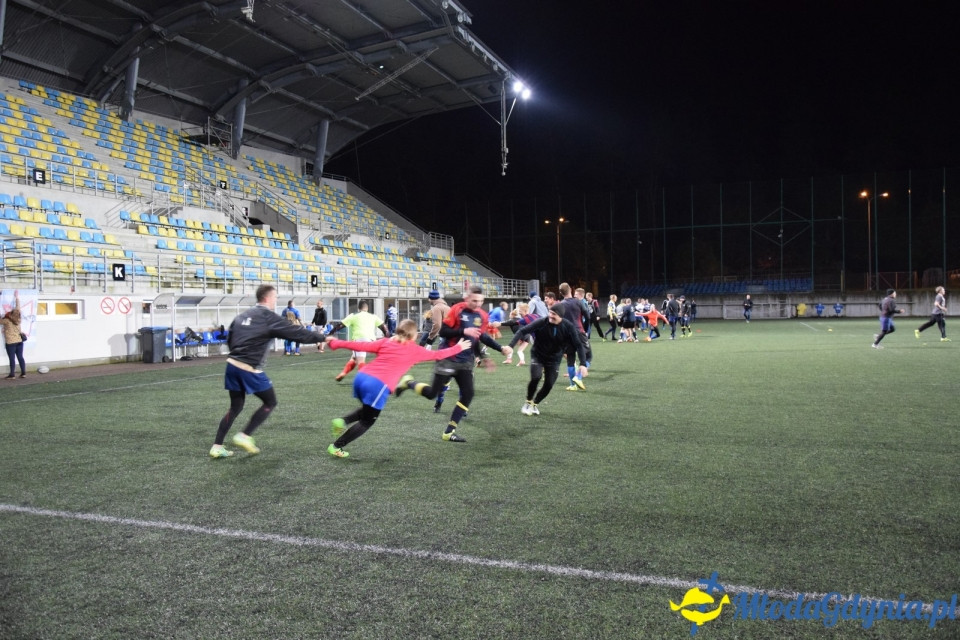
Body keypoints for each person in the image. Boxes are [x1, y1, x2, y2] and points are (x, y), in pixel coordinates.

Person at [324, 319, 471, 458]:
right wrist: (459, 347)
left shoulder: (386, 341)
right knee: (368, 421)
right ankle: (337, 446)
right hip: (378, 385)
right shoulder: (414, 350)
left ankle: (342, 421)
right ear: (413, 336)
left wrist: (336, 343)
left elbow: (360, 346)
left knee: (368, 410)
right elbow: (438, 354)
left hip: (361, 378)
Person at [210, 284, 325, 458]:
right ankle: (244, 435)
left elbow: (231, 338)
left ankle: (217, 446)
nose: (276, 300)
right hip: (248, 367)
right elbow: (296, 332)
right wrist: (322, 338)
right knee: (270, 402)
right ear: (268, 298)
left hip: (232, 364)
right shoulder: (268, 317)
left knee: (235, 407)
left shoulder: (243, 315)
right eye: (275, 297)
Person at [395, 285, 512, 443]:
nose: (477, 304)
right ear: (467, 298)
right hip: (448, 356)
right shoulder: (456, 310)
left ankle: (449, 432)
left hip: (465, 361)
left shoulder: (482, 316)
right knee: (432, 394)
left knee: (468, 394)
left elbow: (479, 337)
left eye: (480, 301)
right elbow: (443, 332)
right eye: (474, 301)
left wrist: (497, 350)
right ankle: (408, 382)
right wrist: (463, 331)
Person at [508, 307, 587, 416]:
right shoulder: (542, 322)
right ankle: (528, 401)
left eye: (553, 314)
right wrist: (511, 346)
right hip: (538, 355)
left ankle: (535, 404)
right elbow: (522, 330)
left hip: (554, 359)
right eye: (550, 312)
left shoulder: (568, 326)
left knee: (549, 384)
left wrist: (583, 364)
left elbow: (578, 345)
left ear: (560, 316)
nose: (550, 316)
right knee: (536, 377)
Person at [329, 300, 389, 381]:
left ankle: (364, 380)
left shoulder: (353, 315)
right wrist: (387, 338)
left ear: (358, 308)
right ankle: (344, 372)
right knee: (354, 358)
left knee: (360, 361)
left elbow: (340, 325)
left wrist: (330, 333)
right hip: (371, 341)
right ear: (367, 308)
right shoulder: (373, 316)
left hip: (359, 340)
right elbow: (384, 328)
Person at [2, 290, 26, 379]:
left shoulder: (6, 321)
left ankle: (12, 374)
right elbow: (18, 308)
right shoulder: (18, 319)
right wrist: (17, 298)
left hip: (10, 342)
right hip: (19, 341)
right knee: (20, 357)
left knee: (12, 358)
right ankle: (23, 373)